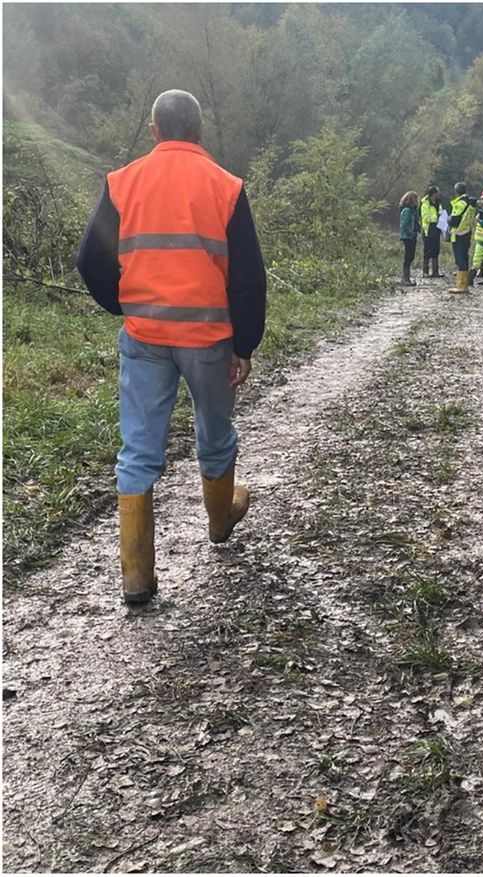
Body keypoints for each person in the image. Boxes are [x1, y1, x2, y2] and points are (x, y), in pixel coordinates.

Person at [75, 88, 266, 607]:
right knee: (214, 431)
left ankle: (137, 578)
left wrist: (124, 304)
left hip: (144, 336)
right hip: (209, 338)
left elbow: (89, 261)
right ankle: (221, 521)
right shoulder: (226, 186)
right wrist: (244, 343)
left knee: (138, 450)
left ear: (155, 131)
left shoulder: (123, 182)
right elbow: (248, 277)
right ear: (199, 131)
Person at [446, 182, 477, 293]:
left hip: (458, 234)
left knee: (460, 260)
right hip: (467, 233)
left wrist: (448, 219)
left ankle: (461, 286)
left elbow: (454, 220)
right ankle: (465, 285)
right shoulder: (471, 203)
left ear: (456, 191)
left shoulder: (460, 203)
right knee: (465, 258)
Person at [419, 185, 443, 277]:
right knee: (427, 251)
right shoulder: (425, 204)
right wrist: (437, 217)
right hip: (428, 229)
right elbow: (426, 217)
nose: (439, 194)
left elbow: (441, 212)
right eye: (437, 192)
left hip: (437, 229)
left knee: (436, 250)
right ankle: (425, 271)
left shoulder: (438, 203)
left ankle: (435, 271)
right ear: (434, 194)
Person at [398, 191, 419, 286]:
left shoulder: (412, 211)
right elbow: (405, 225)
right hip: (408, 236)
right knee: (408, 257)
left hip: (411, 236)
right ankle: (405, 278)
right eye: (415, 200)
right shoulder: (407, 211)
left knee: (410, 257)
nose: (417, 202)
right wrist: (411, 233)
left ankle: (407, 278)